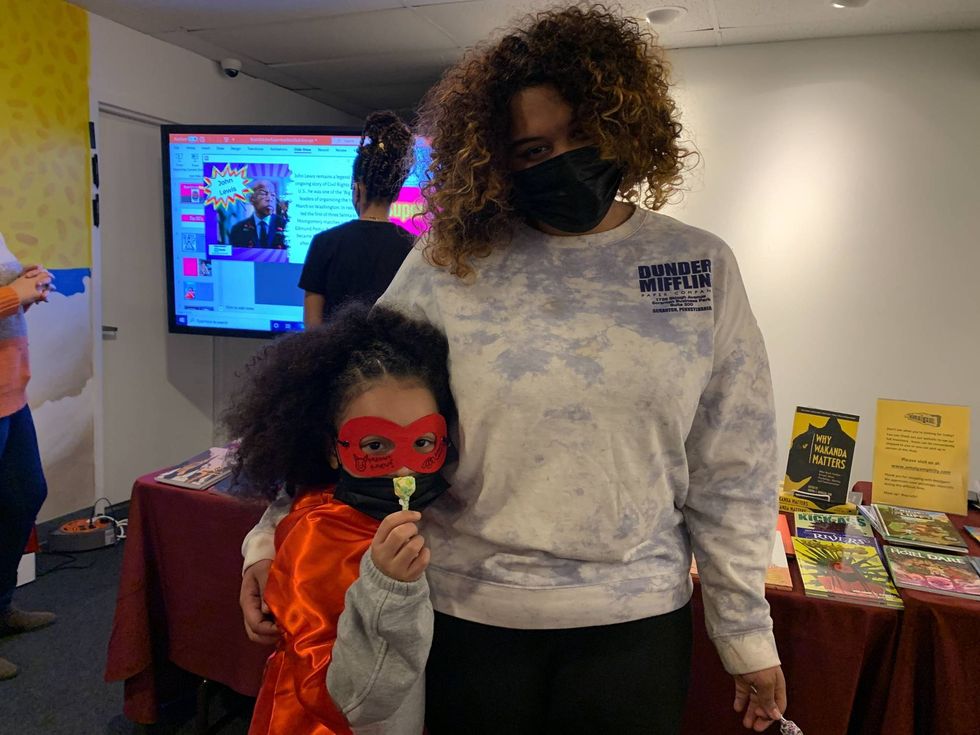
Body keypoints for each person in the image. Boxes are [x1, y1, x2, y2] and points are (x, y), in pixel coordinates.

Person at [242, 5, 788, 733]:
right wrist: (269, 537)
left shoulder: (698, 265)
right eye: (532, 149)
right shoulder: (448, 261)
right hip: (469, 618)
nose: (563, 161)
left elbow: (732, 466)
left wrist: (745, 631)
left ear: (627, 126)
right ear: (496, 160)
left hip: (636, 626)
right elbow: (346, 411)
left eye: (583, 135)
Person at [226, 302, 454, 734]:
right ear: (332, 449)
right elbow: (346, 700)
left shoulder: (431, 506)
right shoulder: (320, 536)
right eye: (374, 446)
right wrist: (390, 589)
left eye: (422, 442)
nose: (403, 469)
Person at [299, 111, 414, 329]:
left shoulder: (323, 243)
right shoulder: (414, 248)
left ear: (357, 189)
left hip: (335, 361)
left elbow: (312, 332)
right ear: (397, 193)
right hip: (390, 362)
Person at [0, 233, 56, 681]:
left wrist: (25, 287)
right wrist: (11, 295)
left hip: (10, 393)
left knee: (24, 495)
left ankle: (0, 609)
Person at [229, 179, 287, 249]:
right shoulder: (238, 230)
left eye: (273, 195)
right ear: (251, 198)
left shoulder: (286, 226)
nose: (269, 198)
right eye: (263, 193)